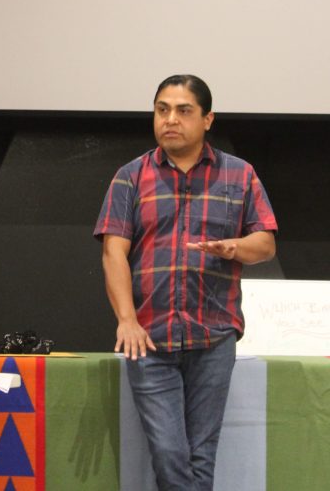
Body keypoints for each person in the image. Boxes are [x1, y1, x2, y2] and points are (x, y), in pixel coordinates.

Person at [94, 75, 277, 491]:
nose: (170, 120)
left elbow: (264, 243)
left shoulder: (240, 175)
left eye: (183, 111)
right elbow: (113, 253)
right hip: (149, 338)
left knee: (200, 454)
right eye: (162, 110)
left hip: (213, 336)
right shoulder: (130, 177)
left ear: (208, 119)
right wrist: (126, 320)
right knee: (170, 454)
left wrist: (235, 247)